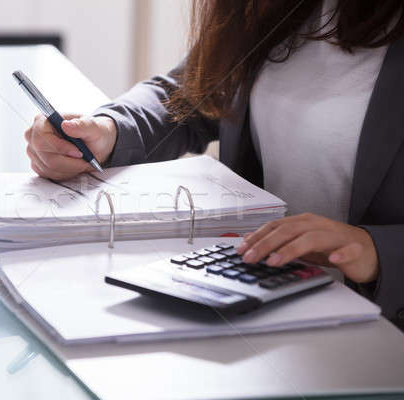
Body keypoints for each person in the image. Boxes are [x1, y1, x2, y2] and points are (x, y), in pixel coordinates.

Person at [24, 0, 404, 327]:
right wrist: (109, 131)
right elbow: (192, 92)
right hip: (267, 302)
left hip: (379, 333)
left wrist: (375, 250)